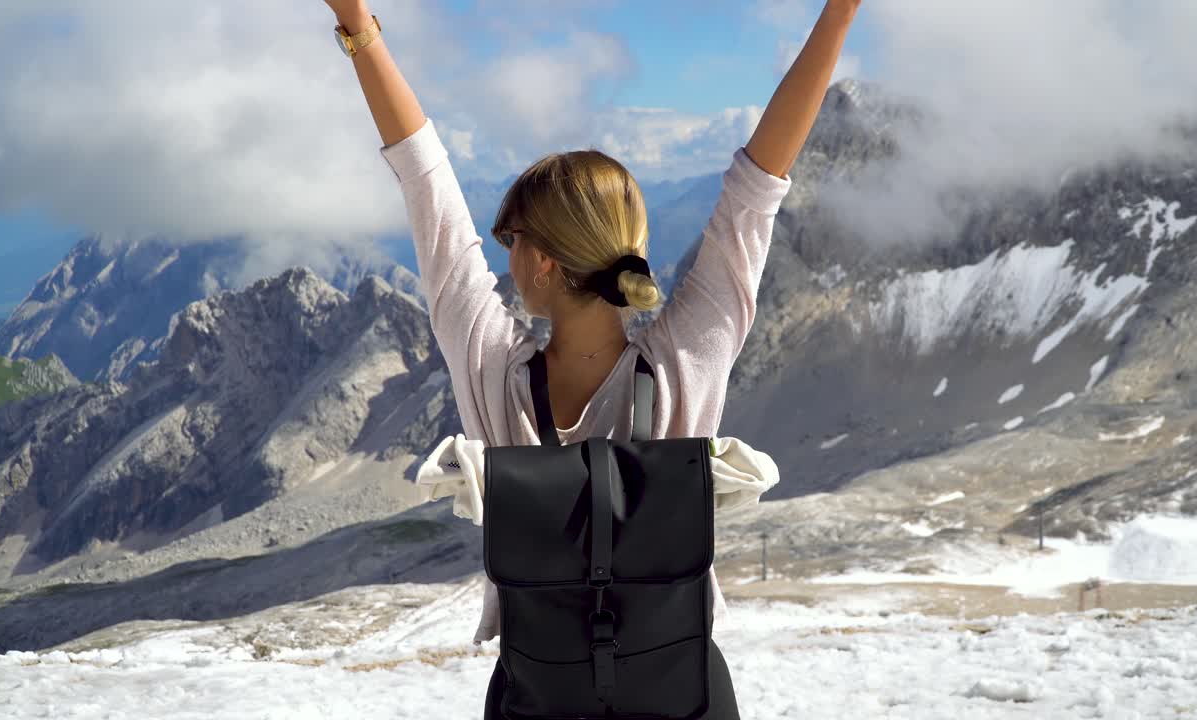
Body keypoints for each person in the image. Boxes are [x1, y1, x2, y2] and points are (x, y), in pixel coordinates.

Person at [324, 0, 862, 716]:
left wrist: (357, 24)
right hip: (679, 695)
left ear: (542, 262)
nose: (501, 251)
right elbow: (757, 186)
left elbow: (427, 186)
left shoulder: (494, 374)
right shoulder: (683, 366)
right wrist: (840, 14)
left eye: (511, 238)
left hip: (542, 696)